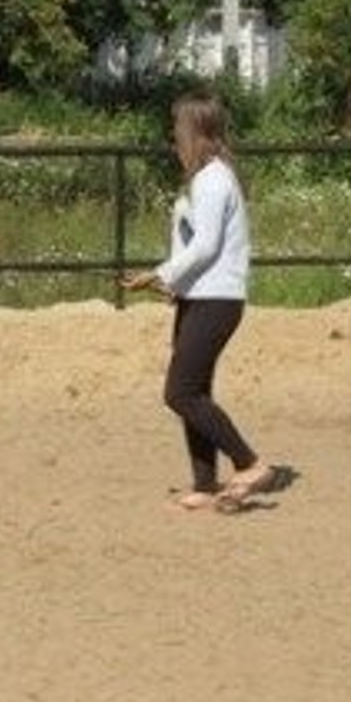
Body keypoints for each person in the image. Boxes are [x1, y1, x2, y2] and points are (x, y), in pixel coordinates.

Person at [122, 93, 280, 512]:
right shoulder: (207, 178)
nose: (173, 135)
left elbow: (208, 245)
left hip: (217, 300)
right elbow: (194, 244)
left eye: (178, 127)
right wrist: (175, 283)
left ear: (194, 131)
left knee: (180, 392)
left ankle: (249, 463)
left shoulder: (212, 179)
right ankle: (206, 483)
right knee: (196, 392)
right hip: (200, 296)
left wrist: (161, 273)